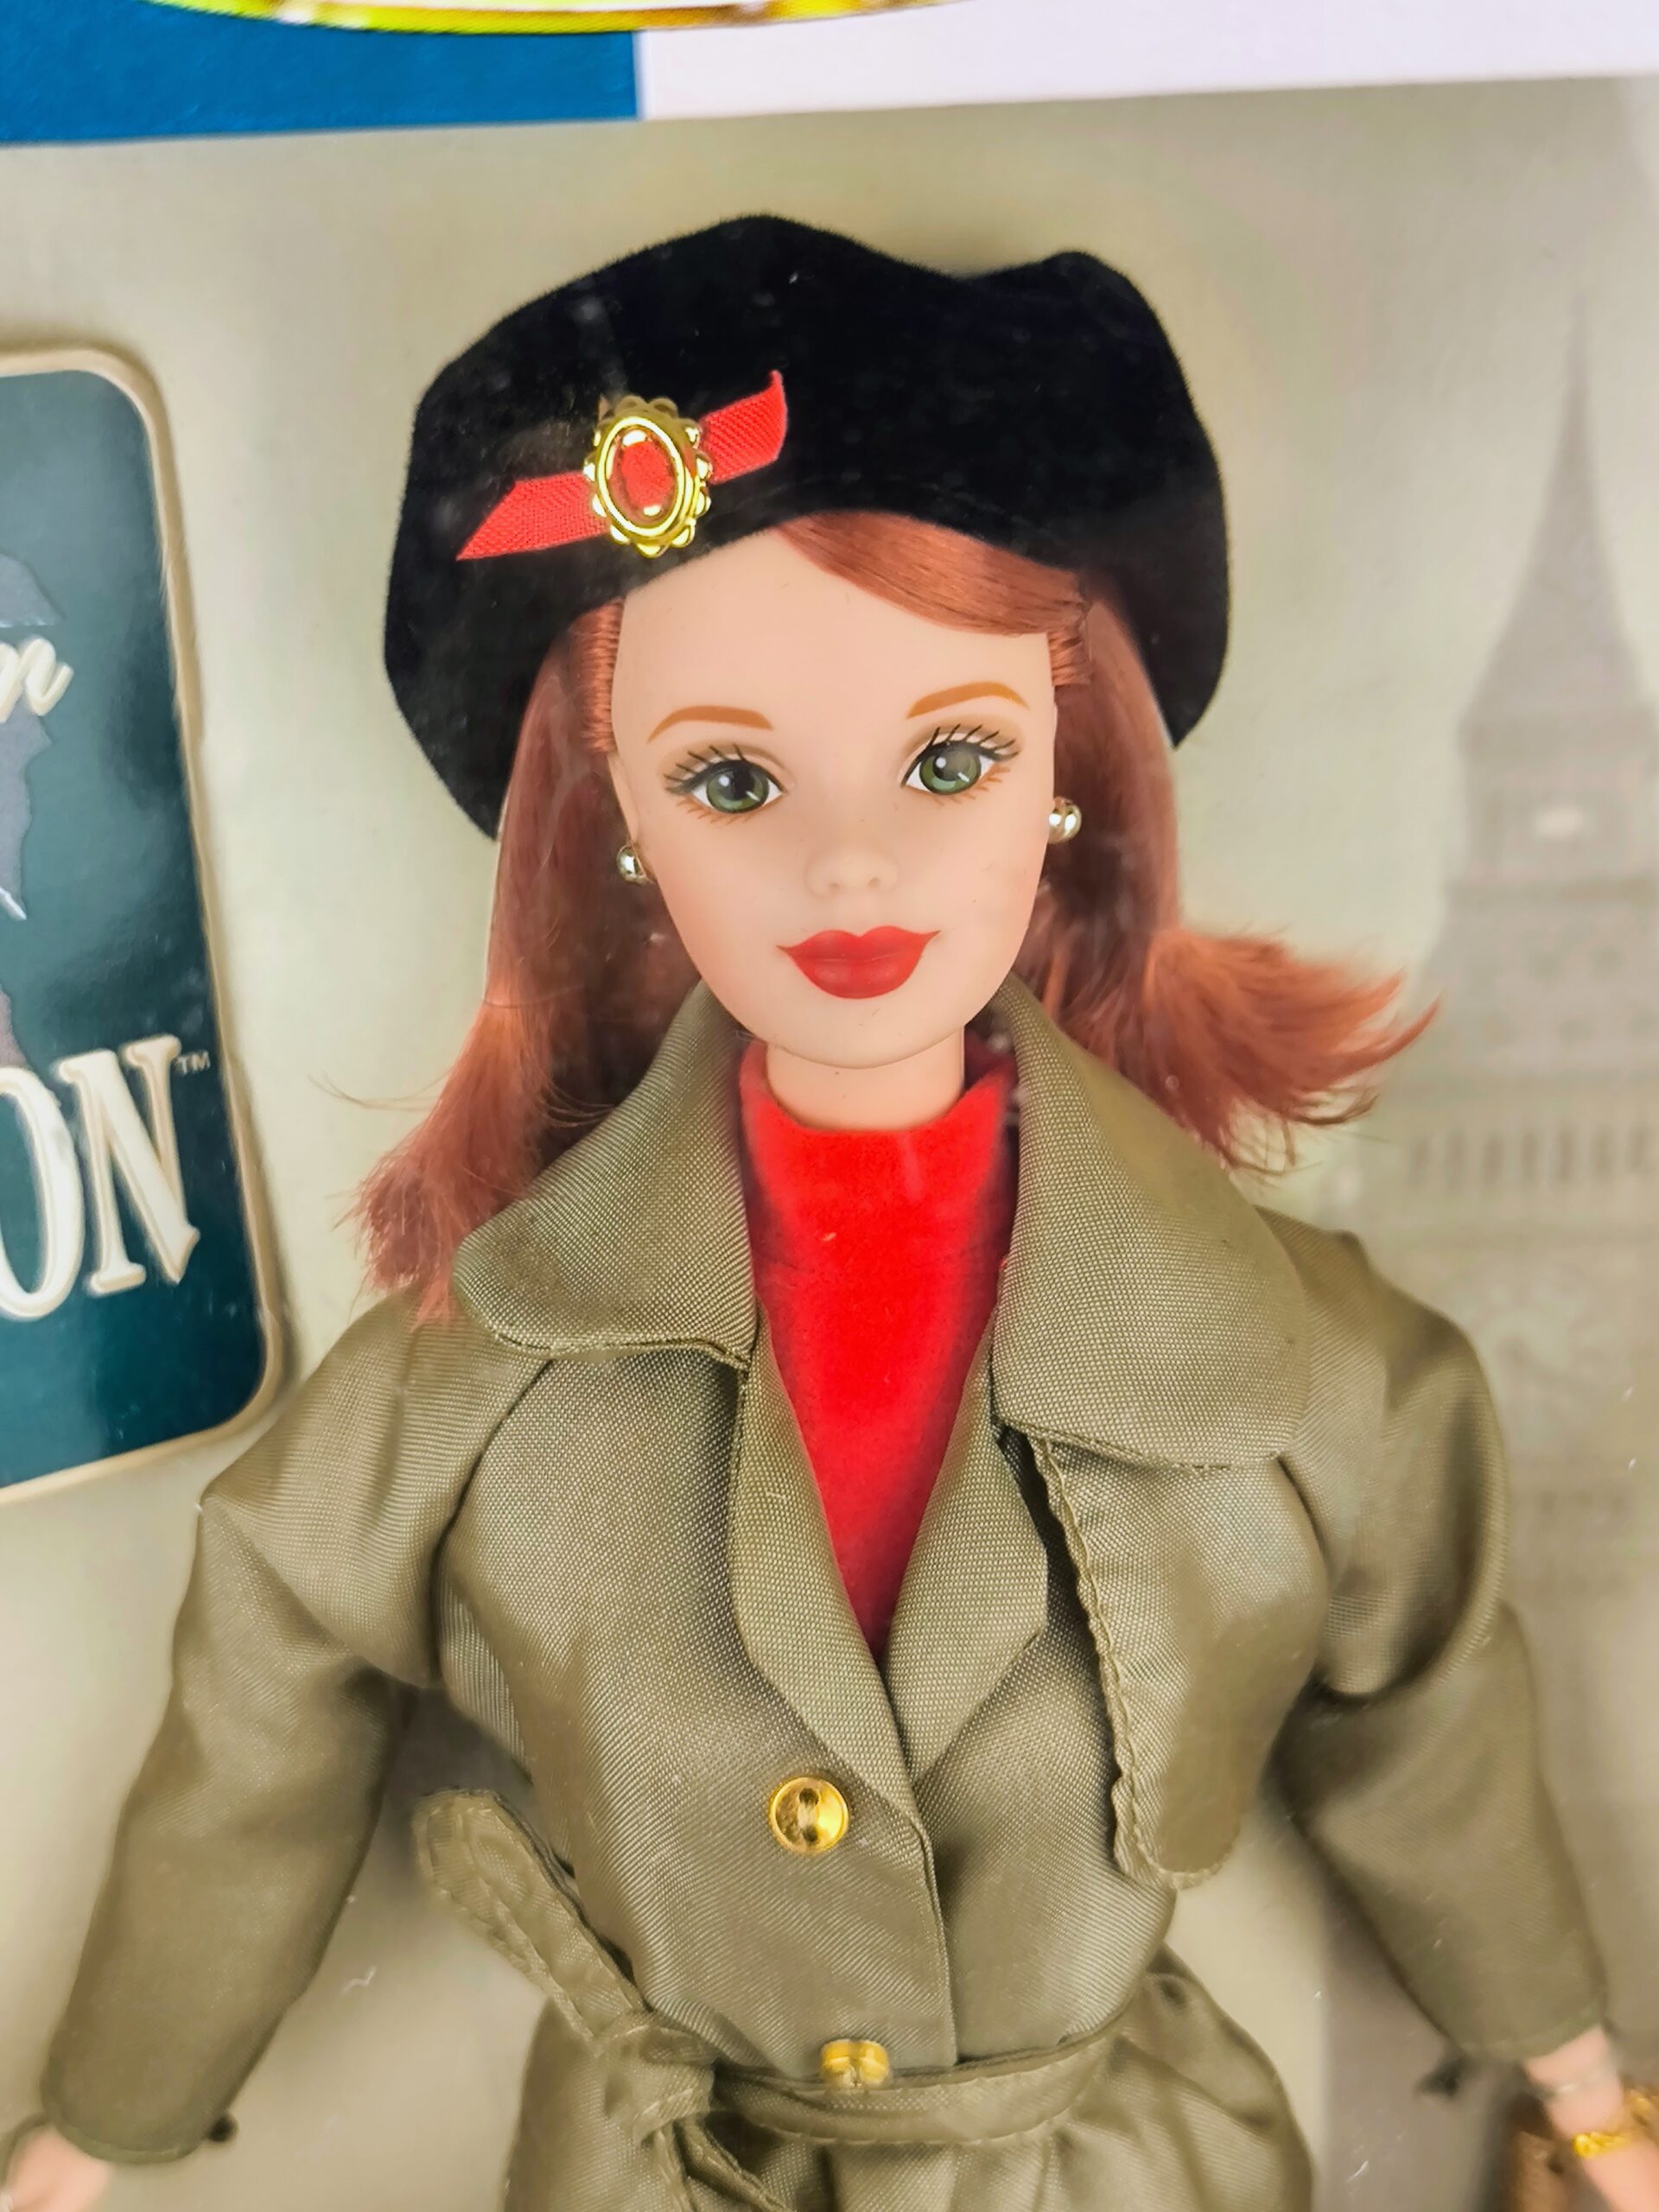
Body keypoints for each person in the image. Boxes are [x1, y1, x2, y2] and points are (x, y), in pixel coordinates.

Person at [6, 216, 1654, 2212]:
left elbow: (1427, 1718)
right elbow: (265, 1705)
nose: (852, 862)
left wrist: (1580, 2081)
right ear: (617, 813)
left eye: (951, 756)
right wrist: (100, 2122)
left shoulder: (1302, 1365)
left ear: (1064, 776)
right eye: (731, 782)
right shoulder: (483, 1375)